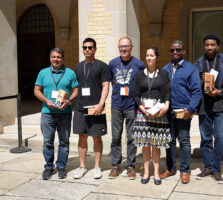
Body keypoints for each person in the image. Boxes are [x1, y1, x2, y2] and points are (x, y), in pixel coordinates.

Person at [194, 33, 223, 183]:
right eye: (207, 45)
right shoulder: (198, 63)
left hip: (220, 106)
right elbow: (194, 85)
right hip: (204, 106)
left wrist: (220, 91)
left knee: (220, 138)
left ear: (218, 46)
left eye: (213, 45)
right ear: (204, 46)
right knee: (206, 138)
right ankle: (208, 167)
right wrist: (201, 81)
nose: (210, 47)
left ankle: (216, 169)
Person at [160, 40, 202, 184]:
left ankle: (185, 170)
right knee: (169, 141)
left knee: (184, 141)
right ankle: (170, 168)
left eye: (178, 50)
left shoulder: (191, 68)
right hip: (167, 111)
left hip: (183, 111)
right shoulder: (165, 69)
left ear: (183, 51)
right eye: (172, 50)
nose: (175, 53)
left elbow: (197, 91)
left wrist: (190, 108)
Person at [34, 48, 78, 180]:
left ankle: (61, 166)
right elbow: (36, 90)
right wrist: (46, 100)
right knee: (48, 141)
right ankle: (48, 167)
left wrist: (69, 100)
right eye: (53, 57)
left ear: (63, 59)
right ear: (50, 58)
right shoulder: (43, 73)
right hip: (47, 113)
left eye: (58, 57)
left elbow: (76, 90)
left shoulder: (70, 73)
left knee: (64, 141)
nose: (56, 59)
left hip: (65, 113)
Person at [132, 47, 171, 185]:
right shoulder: (139, 75)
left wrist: (166, 106)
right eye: (147, 55)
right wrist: (142, 108)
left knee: (156, 144)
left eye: (152, 55)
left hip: (159, 112)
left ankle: (156, 172)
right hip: (143, 112)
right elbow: (135, 94)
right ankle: (146, 171)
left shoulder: (164, 74)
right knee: (145, 143)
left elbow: (167, 91)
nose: (149, 58)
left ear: (157, 58)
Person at [108, 37, 145, 179]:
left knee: (131, 137)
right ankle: (115, 166)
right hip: (117, 105)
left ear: (131, 47)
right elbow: (112, 81)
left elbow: (142, 83)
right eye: (121, 46)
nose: (123, 49)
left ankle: (130, 165)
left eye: (126, 46)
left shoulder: (139, 64)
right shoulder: (112, 64)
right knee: (116, 137)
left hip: (132, 106)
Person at [72, 38, 110, 179]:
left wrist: (101, 104)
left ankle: (97, 167)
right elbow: (75, 87)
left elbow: (106, 85)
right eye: (85, 47)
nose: (87, 50)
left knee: (96, 138)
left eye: (90, 47)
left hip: (96, 108)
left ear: (95, 49)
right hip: (80, 107)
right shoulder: (77, 67)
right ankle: (82, 167)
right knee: (82, 137)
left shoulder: (102, 66)